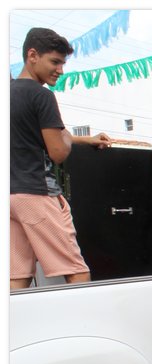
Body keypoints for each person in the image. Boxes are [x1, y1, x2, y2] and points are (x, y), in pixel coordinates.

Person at [10, 27, 112, 290]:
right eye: (55, 62)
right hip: (36, 192)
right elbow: (58, 151)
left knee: (15, 276)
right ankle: (85, 325)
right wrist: (67, 139)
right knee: (75, 270)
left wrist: (85, 139)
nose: (61, 70)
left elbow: (32, 136)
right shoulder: (41, 95)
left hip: (10, 196)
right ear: (32, 55)